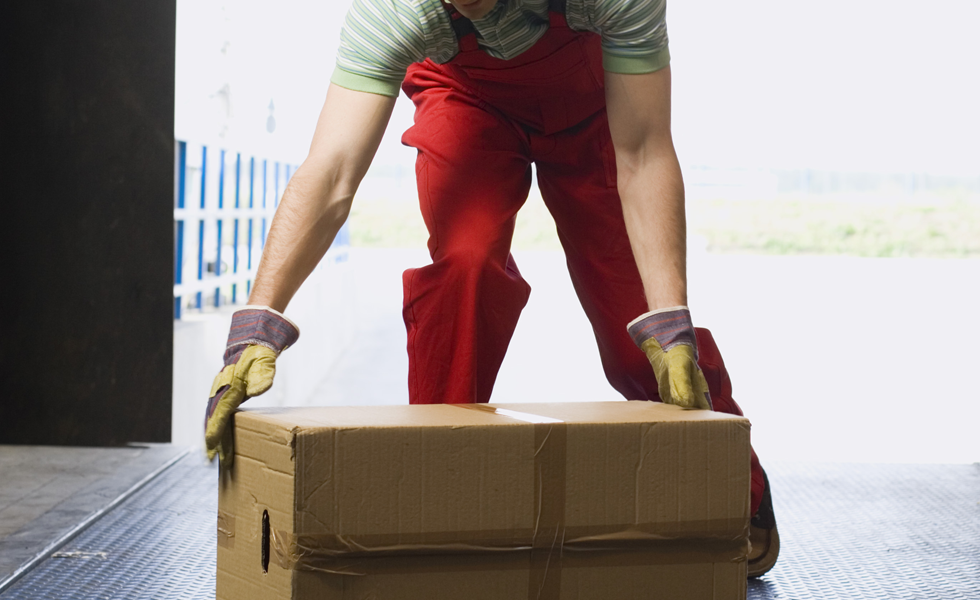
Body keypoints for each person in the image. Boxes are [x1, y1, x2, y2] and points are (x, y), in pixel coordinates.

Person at [200, 0, 779, 577]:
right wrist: (258, 320)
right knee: (464, 266)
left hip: (594, 109)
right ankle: (437, 494)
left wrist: (668, 319)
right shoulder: (393, 10)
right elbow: (329, 172)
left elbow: (644, 149)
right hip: (466, 99)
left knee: (638, 320)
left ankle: (735, 488)